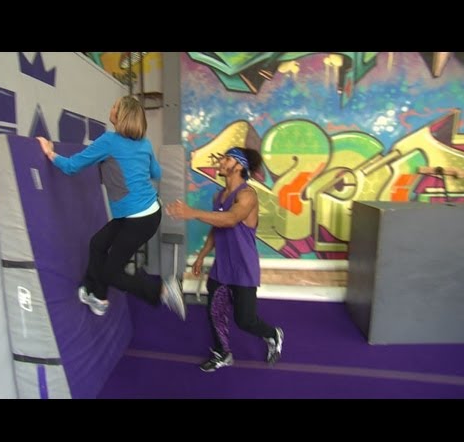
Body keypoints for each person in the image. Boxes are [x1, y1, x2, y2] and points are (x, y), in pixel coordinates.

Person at [36, 95, 185, 320]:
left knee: (111, 273)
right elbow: (157, 173)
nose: (112, 108)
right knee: (97, 244)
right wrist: (135, 168)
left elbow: (71, 166)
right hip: (147, 213)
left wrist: (50, 153)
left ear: (120, 115)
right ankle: (97, 296)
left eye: (115, 106)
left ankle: (162, 291)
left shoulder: (109, 141)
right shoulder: (144, 143)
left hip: (137, 219)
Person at [165, 146, 283, 371]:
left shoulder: (247, 195)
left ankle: (273, 334)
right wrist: (201, 256)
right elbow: (217, 226)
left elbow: (230, 219)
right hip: (222, 267)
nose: (220, 162)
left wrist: (193, 212)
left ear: (239, 166)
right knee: (215, 313)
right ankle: (222, 353)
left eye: (227, 159)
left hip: (244, 268)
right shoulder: (218, 195)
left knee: (245, 320)